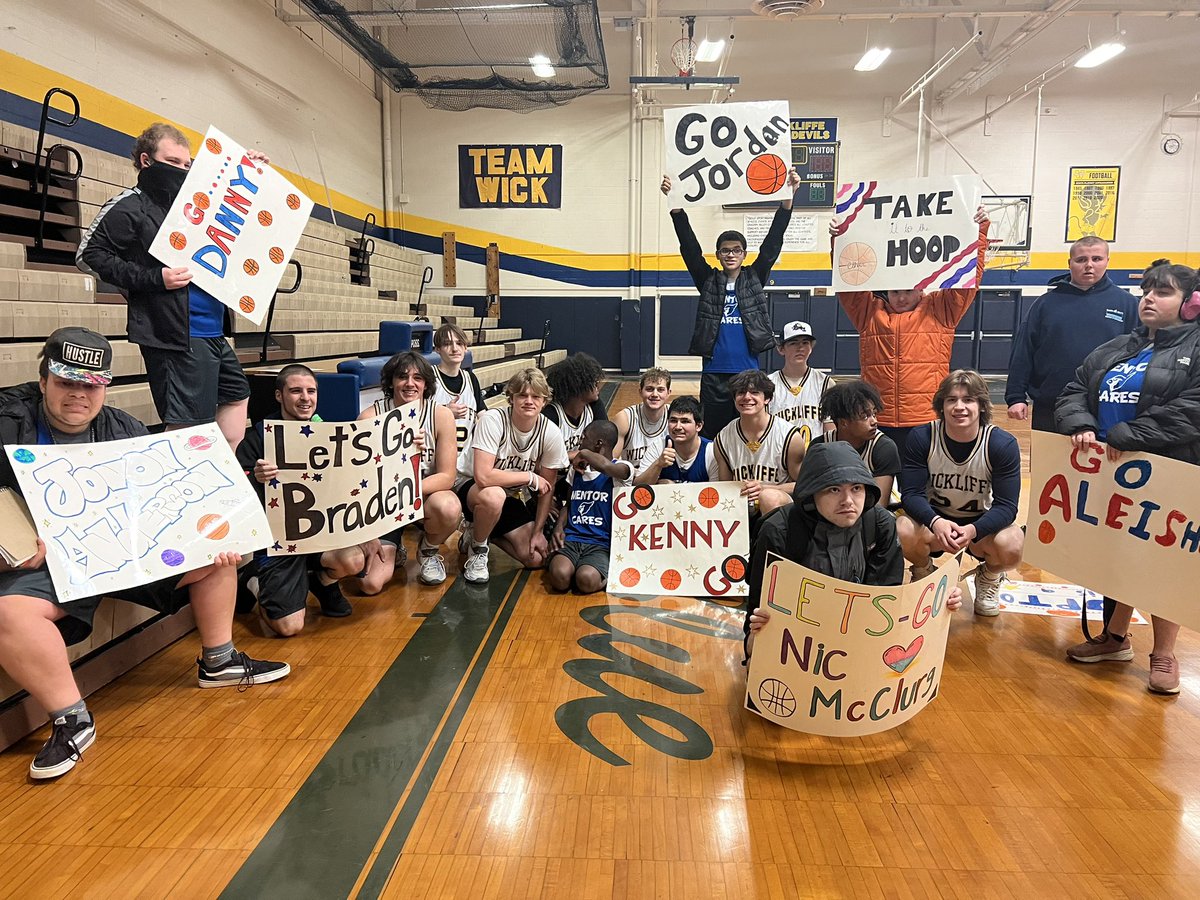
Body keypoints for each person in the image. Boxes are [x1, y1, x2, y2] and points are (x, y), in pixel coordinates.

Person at [0, 327, 289, 779]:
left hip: (123, 554)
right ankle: (71, 718)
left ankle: (219, 660)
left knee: (215, 547)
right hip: (50, 563)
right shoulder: (6, 424)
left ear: (105, 385)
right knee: (9, 612)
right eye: (66, 382)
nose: (78, 394)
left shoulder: (124, 428)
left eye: (90, 384)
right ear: (43, 382)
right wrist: (11, 544)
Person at [77, 123, 269, 451]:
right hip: (174, 333)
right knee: (187, 425)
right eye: (173, 161)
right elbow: (88, 256)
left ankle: (220, 476)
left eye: (186, 164)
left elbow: (241, 215)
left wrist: (250, 170)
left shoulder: (198, 204)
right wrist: (154, 279)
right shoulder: (130, 205)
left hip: (212, 330)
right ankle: (179, 488)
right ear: (146, 161)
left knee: (237, 397)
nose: (181, 169)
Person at [1056, 259, 1200, 694]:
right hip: (1110, 470)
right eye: (1147, 291)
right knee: (1115, 557)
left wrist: (1129, 432)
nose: (1149, 299)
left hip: (1169, 473)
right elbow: (1075, 389)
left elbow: (1193, 408)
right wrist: (1079, 422)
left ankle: (1164, 654)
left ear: (1191, 304)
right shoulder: (1119, 345)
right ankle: (1115, 637)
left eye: (1163, 292)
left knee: (1161, 561)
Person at [743, 441, 961, 659]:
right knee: (757, 652)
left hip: (857, 637)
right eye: (834, 489)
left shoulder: (880, 524)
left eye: (856, 488)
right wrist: (758, 628)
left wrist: (938, 604)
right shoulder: (778, 530)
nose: (848, 501)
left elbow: (887, 603)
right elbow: (758, 609)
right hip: (797, 641)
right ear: (812, 493)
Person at [830, 207, 990, 451]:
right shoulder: (869, 313)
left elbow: (968, 280)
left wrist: (978, 232)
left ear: (921, 288)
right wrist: (838, 239)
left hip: (925, 420)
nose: (901, 298)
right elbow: (848, 280)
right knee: (878, 486)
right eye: (895, 292)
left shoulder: (940, 309)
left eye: (908, 291)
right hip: (878, 420)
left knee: (917, 486)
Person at [663, 167, 802, 439]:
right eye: (725, 250)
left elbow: (773, 243)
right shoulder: (707, 280)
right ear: (717, 254)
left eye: (736, 250)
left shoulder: (754, 278)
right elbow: (689, 247)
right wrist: (676, 206)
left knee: (748, 431)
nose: (730, 254)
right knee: (713, 433)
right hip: (714, 373)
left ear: (743, 254)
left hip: (747, 372)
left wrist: (788, 200)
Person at [237, 365, 376, 635]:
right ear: (279, 395)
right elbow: (237, 495)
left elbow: (358, 478)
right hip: (280, 544)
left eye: (311, 391)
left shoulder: (330, 434)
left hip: (321, 536)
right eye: (295, 391)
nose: (305, 398)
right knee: (289, 628)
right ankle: (252, 581)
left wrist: (413, 444)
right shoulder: (259, 437)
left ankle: (321, 582)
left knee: (354, 559)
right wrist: (256, 477)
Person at [897, 369, 1024, 616]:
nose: (959, 407)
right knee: (901, 528)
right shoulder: (922, 437)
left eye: (968, 400)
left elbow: (1007, 507)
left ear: (982, 406)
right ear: (941, 405)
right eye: (951, 399)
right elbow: (910, 494)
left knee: (1014, 543)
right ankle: (924, 572)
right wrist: (936, 522)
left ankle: (989, 576)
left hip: (980, 527)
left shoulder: (1001, 444)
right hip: (934, 522)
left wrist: (974, 530)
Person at [1006, 236, 1139, 432]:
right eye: (1081, 260)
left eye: (1097, 259)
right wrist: (1016, 396)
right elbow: (1024, 350)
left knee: (1100, 463)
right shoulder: (1045, 304)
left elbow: (1138, 355)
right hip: (1051, 404)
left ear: (1107, 261)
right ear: (1070, 263)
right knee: (1049, 463)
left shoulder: (1127, 304)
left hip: (1106, 405)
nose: (1089, 265)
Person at [356, 351, 461, 589]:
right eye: (402, 377)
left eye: (418, 378)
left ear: (426, 384)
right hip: (382, 504)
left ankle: (428, 550)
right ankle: (396, 547)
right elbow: (359, 477)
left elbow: (447, 476)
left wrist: (407, 491)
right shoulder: (370, 417)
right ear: (391, 382)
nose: (410, 383)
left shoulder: (441, 415)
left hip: (423, 498)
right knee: (370, 584)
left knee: (449, 507)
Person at [455, 368, 569, 583]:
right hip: (468, 489)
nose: (529, 401)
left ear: (544, 401)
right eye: (522, 395)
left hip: (507, 494)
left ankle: (478, 534)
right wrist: (529, 477)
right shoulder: (493, 420)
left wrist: (537, 531)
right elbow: (484, 477)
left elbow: (548, 489)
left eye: (535, 396)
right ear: (511, 398)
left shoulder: (550, 432)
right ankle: (478, 551)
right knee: (493, 495)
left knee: (535, 558)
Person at [547, 421, 633, 594]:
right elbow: (570, 503)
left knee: (586, 580)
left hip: (601, 543)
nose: (580, 441)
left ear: (598, 444)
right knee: (559, 577)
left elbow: (607, 467)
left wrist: (584, 453)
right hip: (572, 539)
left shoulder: (623, 468)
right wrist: (558, 527)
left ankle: (607, 576)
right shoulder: (578, 469)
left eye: (584, 437)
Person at [714, 369, 805, 518]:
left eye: (754, 392)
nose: (747, 397)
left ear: (767, 399)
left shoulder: (790, 436)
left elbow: (802, 485)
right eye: (741, 393)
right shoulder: (723, 438)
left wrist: (764, 488)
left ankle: (772, 541)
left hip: (780, 508)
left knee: (768, 497)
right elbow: (725, 487)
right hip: (740, 507)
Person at [811, 380, 902, 502]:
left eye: (874, 414)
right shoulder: (820, 447)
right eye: (865, 416)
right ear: (843, 423)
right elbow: (812, 496)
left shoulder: (883, 447)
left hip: (872, 514)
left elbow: (880, 505)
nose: (874, 421)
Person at [767, 321, 835, 445]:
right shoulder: (769, 384)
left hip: (815, 456)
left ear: (811, 348)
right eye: (793, 343)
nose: (800, 348)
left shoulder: (825, 383)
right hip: (780, 456)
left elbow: (830, 429)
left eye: (805, 343)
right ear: (781, 349)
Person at [634, 395, 719, 485]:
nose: (678, 427)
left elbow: (717, 493)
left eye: (685, 421)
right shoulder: (659, 446)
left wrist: (675, 488)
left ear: (698, 426)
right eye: (673, 421)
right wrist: (658, 464)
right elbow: (637, 487)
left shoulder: (711, 451)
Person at [431, 324, 488, 453]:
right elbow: (416, 417)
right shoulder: (428, 378)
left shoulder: (471, 378)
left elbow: (483, 414)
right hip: (436, 464)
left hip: (466, 465)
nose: (455, 349)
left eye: (459, 343)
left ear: (465, 348)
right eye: (447, 344)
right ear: (438, 349)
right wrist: (444, 413)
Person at [543, 352, 607, 458]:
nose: (597, 386)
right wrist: (584, 454)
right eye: (593, 382)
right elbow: (545, 459)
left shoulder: (595, 406)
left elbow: (605, 446)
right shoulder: (552, 414)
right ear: (577, 386)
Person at [613, 367, 672, 472]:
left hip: (664, 479)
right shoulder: (625, 418)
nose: (655, 394)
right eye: (649, 389)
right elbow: (611, 460)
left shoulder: (674, 417)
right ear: (640, 392)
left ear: (668, 393)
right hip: (633, 482)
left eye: (660, 390)